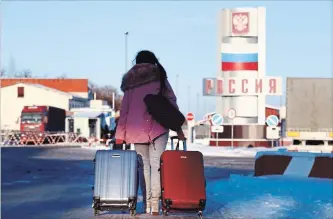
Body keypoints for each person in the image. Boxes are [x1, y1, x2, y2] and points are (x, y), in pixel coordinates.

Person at [115, 50, 185, 215]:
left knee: (143, 167)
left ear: (137, 62)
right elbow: (171, 104)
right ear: (153, 61)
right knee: (157, 166)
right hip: (158, 128)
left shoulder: (130, 81)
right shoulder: (160, 76)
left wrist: (119, 136)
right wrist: (178, 127)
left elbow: (124, 110)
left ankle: (146, 204)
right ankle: (155, 206)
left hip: (136, 130)